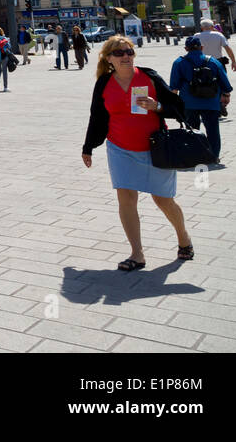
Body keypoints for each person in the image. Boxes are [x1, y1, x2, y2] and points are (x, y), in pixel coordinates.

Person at [82, 35, 193, 271]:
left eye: (129, 52)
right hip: (120, 148)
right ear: (109, 58)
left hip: (155, 148)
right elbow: (98, 116)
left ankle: (184, 238)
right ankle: (137, 254)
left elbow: (178, 107)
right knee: (126, 199)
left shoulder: (149, 76)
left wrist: (158, 106)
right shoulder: (104, 83)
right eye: (120, 53)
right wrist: (88, 146)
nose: (126, 57)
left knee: (163, 200)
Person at [169, 35, 232, 160]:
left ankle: (194, 155)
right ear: (202, 47)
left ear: (186, 48)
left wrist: (173, 104)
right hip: (211, 102)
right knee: (213, 130)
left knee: (192, 130)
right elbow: (225, 83)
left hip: (189, 103)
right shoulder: (213, 61)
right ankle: (214, 156)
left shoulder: (179, 62)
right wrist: (226, 95)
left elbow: (174, 88)